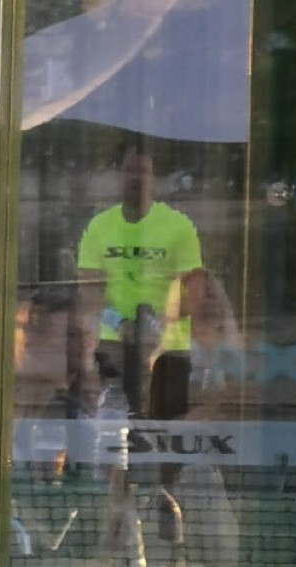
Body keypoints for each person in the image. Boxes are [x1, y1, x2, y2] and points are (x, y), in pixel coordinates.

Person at [72, 138, 205, 417]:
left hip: (168, 348)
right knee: (113, 426)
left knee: (165, 427)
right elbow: (88, 288)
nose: (136, 178)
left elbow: (194, 292)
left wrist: (158, 324)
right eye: (130, 170)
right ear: (119, 174)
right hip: (113, 345)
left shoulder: (179, 226)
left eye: (143, 171)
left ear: (154, 177)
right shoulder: (98, 226)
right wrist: (118, 322)